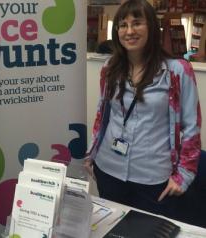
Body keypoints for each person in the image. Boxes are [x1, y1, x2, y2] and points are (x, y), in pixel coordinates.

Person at [85, 0, 201, 218]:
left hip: (153, 177)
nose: (129, 31)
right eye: (123, 25)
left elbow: (192, 127)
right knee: (112, 229)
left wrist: (183, 175)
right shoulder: (109, 68)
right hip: (108, 169)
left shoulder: (177, 71)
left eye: (137, 23)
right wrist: (93, 152)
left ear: (151, 28)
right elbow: (103, 114)